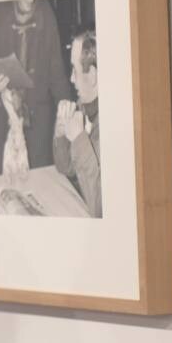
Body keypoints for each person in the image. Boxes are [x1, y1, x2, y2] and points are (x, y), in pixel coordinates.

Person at [0, 0, 70, 171]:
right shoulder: (0, 10)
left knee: (38, 180)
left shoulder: (46, 13)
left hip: (37, 121)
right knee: (5, 179)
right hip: (5, 116)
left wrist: (68, 111)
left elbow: (57, 73)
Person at [54, 30, 101, 217]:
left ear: (92, 76)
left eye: (75, 70)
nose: (72, 79)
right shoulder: (85, 107)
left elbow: (100, 210)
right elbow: (65, 168)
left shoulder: (116, 125)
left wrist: (80, 140)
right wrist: (61, 134)